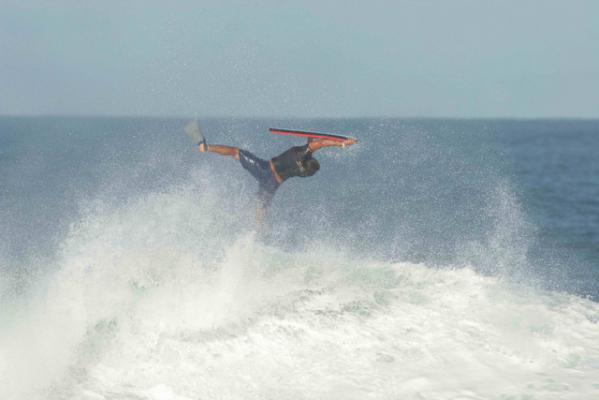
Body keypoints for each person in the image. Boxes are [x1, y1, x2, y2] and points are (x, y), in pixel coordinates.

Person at [195, 130, 357, 223]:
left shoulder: (300, 153)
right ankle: (256, 236)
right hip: (271, 185)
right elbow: (313, 147)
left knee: (235, 152)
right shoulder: (304, 172)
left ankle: (206, 147)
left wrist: (342, 143)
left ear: (310, 158)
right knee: (261, 209)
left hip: (263, 169)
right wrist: (312, 140)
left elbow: (320, 143)